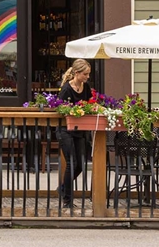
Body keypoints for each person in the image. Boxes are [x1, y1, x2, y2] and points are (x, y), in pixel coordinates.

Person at [57, 58, 92, 207]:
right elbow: (60, 108)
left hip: (80, 130)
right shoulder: (66, 89)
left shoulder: (86, 87)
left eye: (88, 74)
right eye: (85, 74)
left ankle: (63, 188)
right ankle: (67, 201)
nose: (87, 77)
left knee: (80, 165)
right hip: (65, 130)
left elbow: (91, 103)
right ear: (77, 73)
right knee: (72, 163)